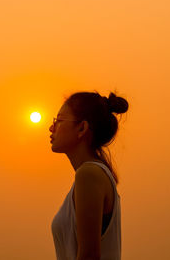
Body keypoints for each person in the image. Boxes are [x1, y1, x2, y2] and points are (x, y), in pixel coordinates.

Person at [50, 91, 129, 260]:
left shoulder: (89, 174)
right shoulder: (91, 174)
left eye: (59, 120)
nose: (52, 128)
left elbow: (89, 256)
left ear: (82, 128)